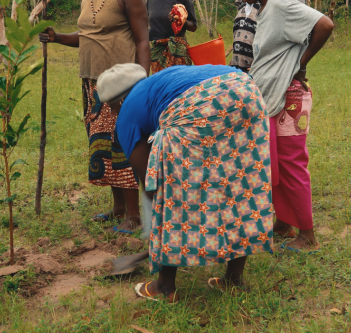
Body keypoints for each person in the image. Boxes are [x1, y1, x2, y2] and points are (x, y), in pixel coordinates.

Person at [96, 63, 274, 301]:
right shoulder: (163, 82)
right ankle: (234, 279)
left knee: (173, 192)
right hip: (245, 90)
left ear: (116, 102)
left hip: (200, 103)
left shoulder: (126, 112)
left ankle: (164, 287)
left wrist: (156, 225)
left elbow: (152, 184)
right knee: (238, 182)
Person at [39, 0, 151, 235]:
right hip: (92, 83)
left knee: (123, 146)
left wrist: (143, 84)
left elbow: (143, 40)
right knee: (101, 146)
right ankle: (117, 207)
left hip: (122, 87)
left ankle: (134, 215)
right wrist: (57, 37)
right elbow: (87, 36)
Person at [232, 0, 334, 253]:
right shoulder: (265, 7)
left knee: (291, 164)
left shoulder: (282, 4)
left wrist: (301, 64)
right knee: (271, 160)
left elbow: (325, 25)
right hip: (272, 95)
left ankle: (307, 235)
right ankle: (284, 222)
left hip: (289, 97)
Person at [146, 0, 197, 74]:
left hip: (178, 53)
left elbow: (194, 26)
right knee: (161, 89)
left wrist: (180, 20)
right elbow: (149, 25)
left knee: (180, 89)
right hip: (157, 53)